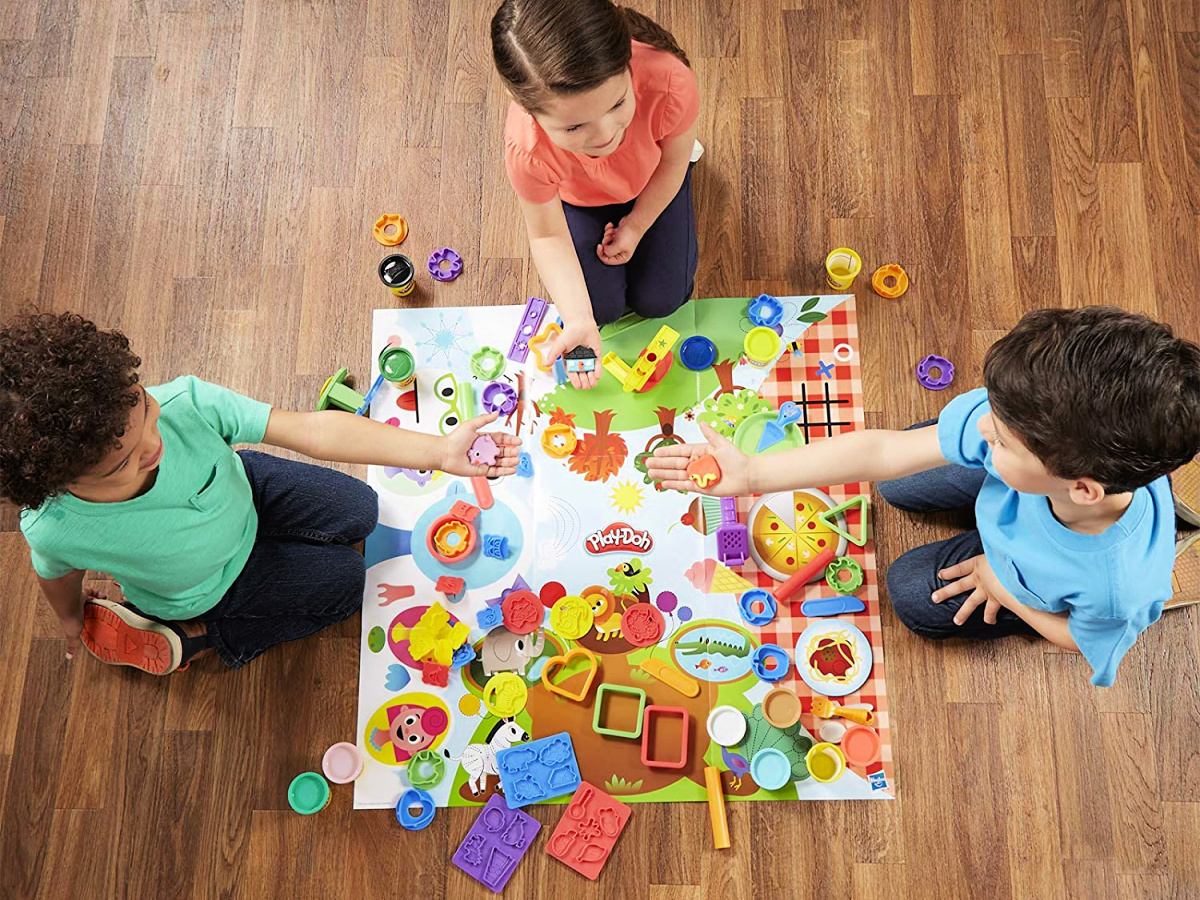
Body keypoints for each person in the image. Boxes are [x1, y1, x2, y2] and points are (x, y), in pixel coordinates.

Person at [648, 307, 1200, 686]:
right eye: (994, 414)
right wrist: (751, 474)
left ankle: (1000, 564)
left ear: (1081, 487)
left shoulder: (1115, 586)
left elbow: (1080, 640)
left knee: (911, 593)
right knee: (896, 480)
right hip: (1024, 495)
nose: (983, 424)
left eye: (1002, 436)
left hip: (1027, 578)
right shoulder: (1025, 424)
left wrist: (1005, 589)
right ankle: (999, 504)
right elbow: (883, 452)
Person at [0, 312, 520, 675]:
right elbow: (56, 573)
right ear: (58, 483)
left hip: (247, 493)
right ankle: (203, 637)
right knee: (344, 583)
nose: (156, 444)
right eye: (126, 460)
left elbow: (315, 431)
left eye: (146, 413)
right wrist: (70, 618)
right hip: (210, 587)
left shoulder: (185, 403)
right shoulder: (53, 525)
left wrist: (438, 451)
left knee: (362, 509)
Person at [492, 0, 700, 389]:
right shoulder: (527, 149)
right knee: (598, 310)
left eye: (618, 103)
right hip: (580, 199)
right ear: (528, 110)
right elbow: (546, 234)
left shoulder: (669, 80)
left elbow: (673, 164)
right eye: (574, 128)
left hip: (656, 176)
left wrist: (637, 225)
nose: (604, 135)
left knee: (663, 300)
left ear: (626, 67)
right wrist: (579, 320)